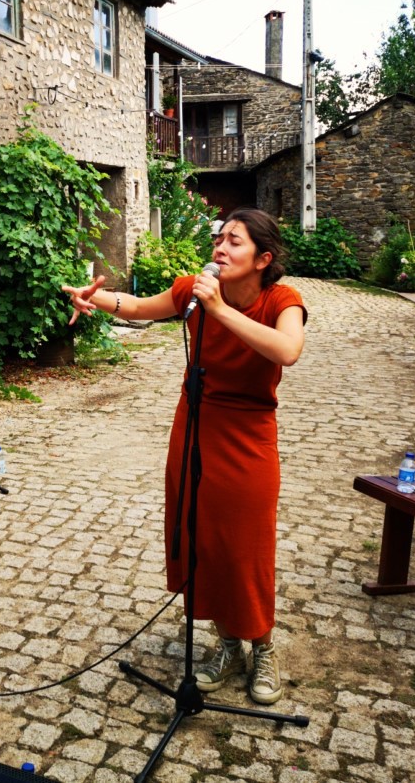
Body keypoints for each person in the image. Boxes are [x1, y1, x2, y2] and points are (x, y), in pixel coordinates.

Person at [63, 208, 305, 704]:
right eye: (219, 239)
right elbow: (136, 308)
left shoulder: (282, 299)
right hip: (196, 424)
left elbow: (286, 350)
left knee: (246, 544)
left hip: (250, 434)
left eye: (234, 242)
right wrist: (96, 299)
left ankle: (263, 645)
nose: (220, 248)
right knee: (202, 537)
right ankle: (228, 642)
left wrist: (218, 310)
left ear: (263, 258)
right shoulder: (193, 290)